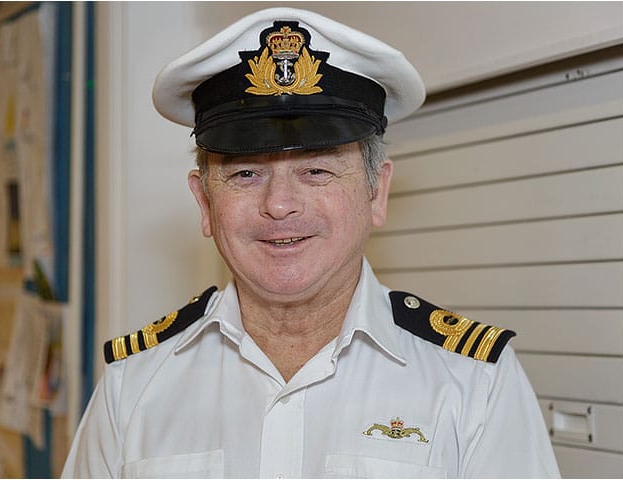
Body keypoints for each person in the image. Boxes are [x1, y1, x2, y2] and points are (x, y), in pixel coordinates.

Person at [62, 7, 560, 478]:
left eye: (317, 170)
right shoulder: (132, 386)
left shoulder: (473, 383)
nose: (279, 205)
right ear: (205, 203)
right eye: (246, 173)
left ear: (376, 192)